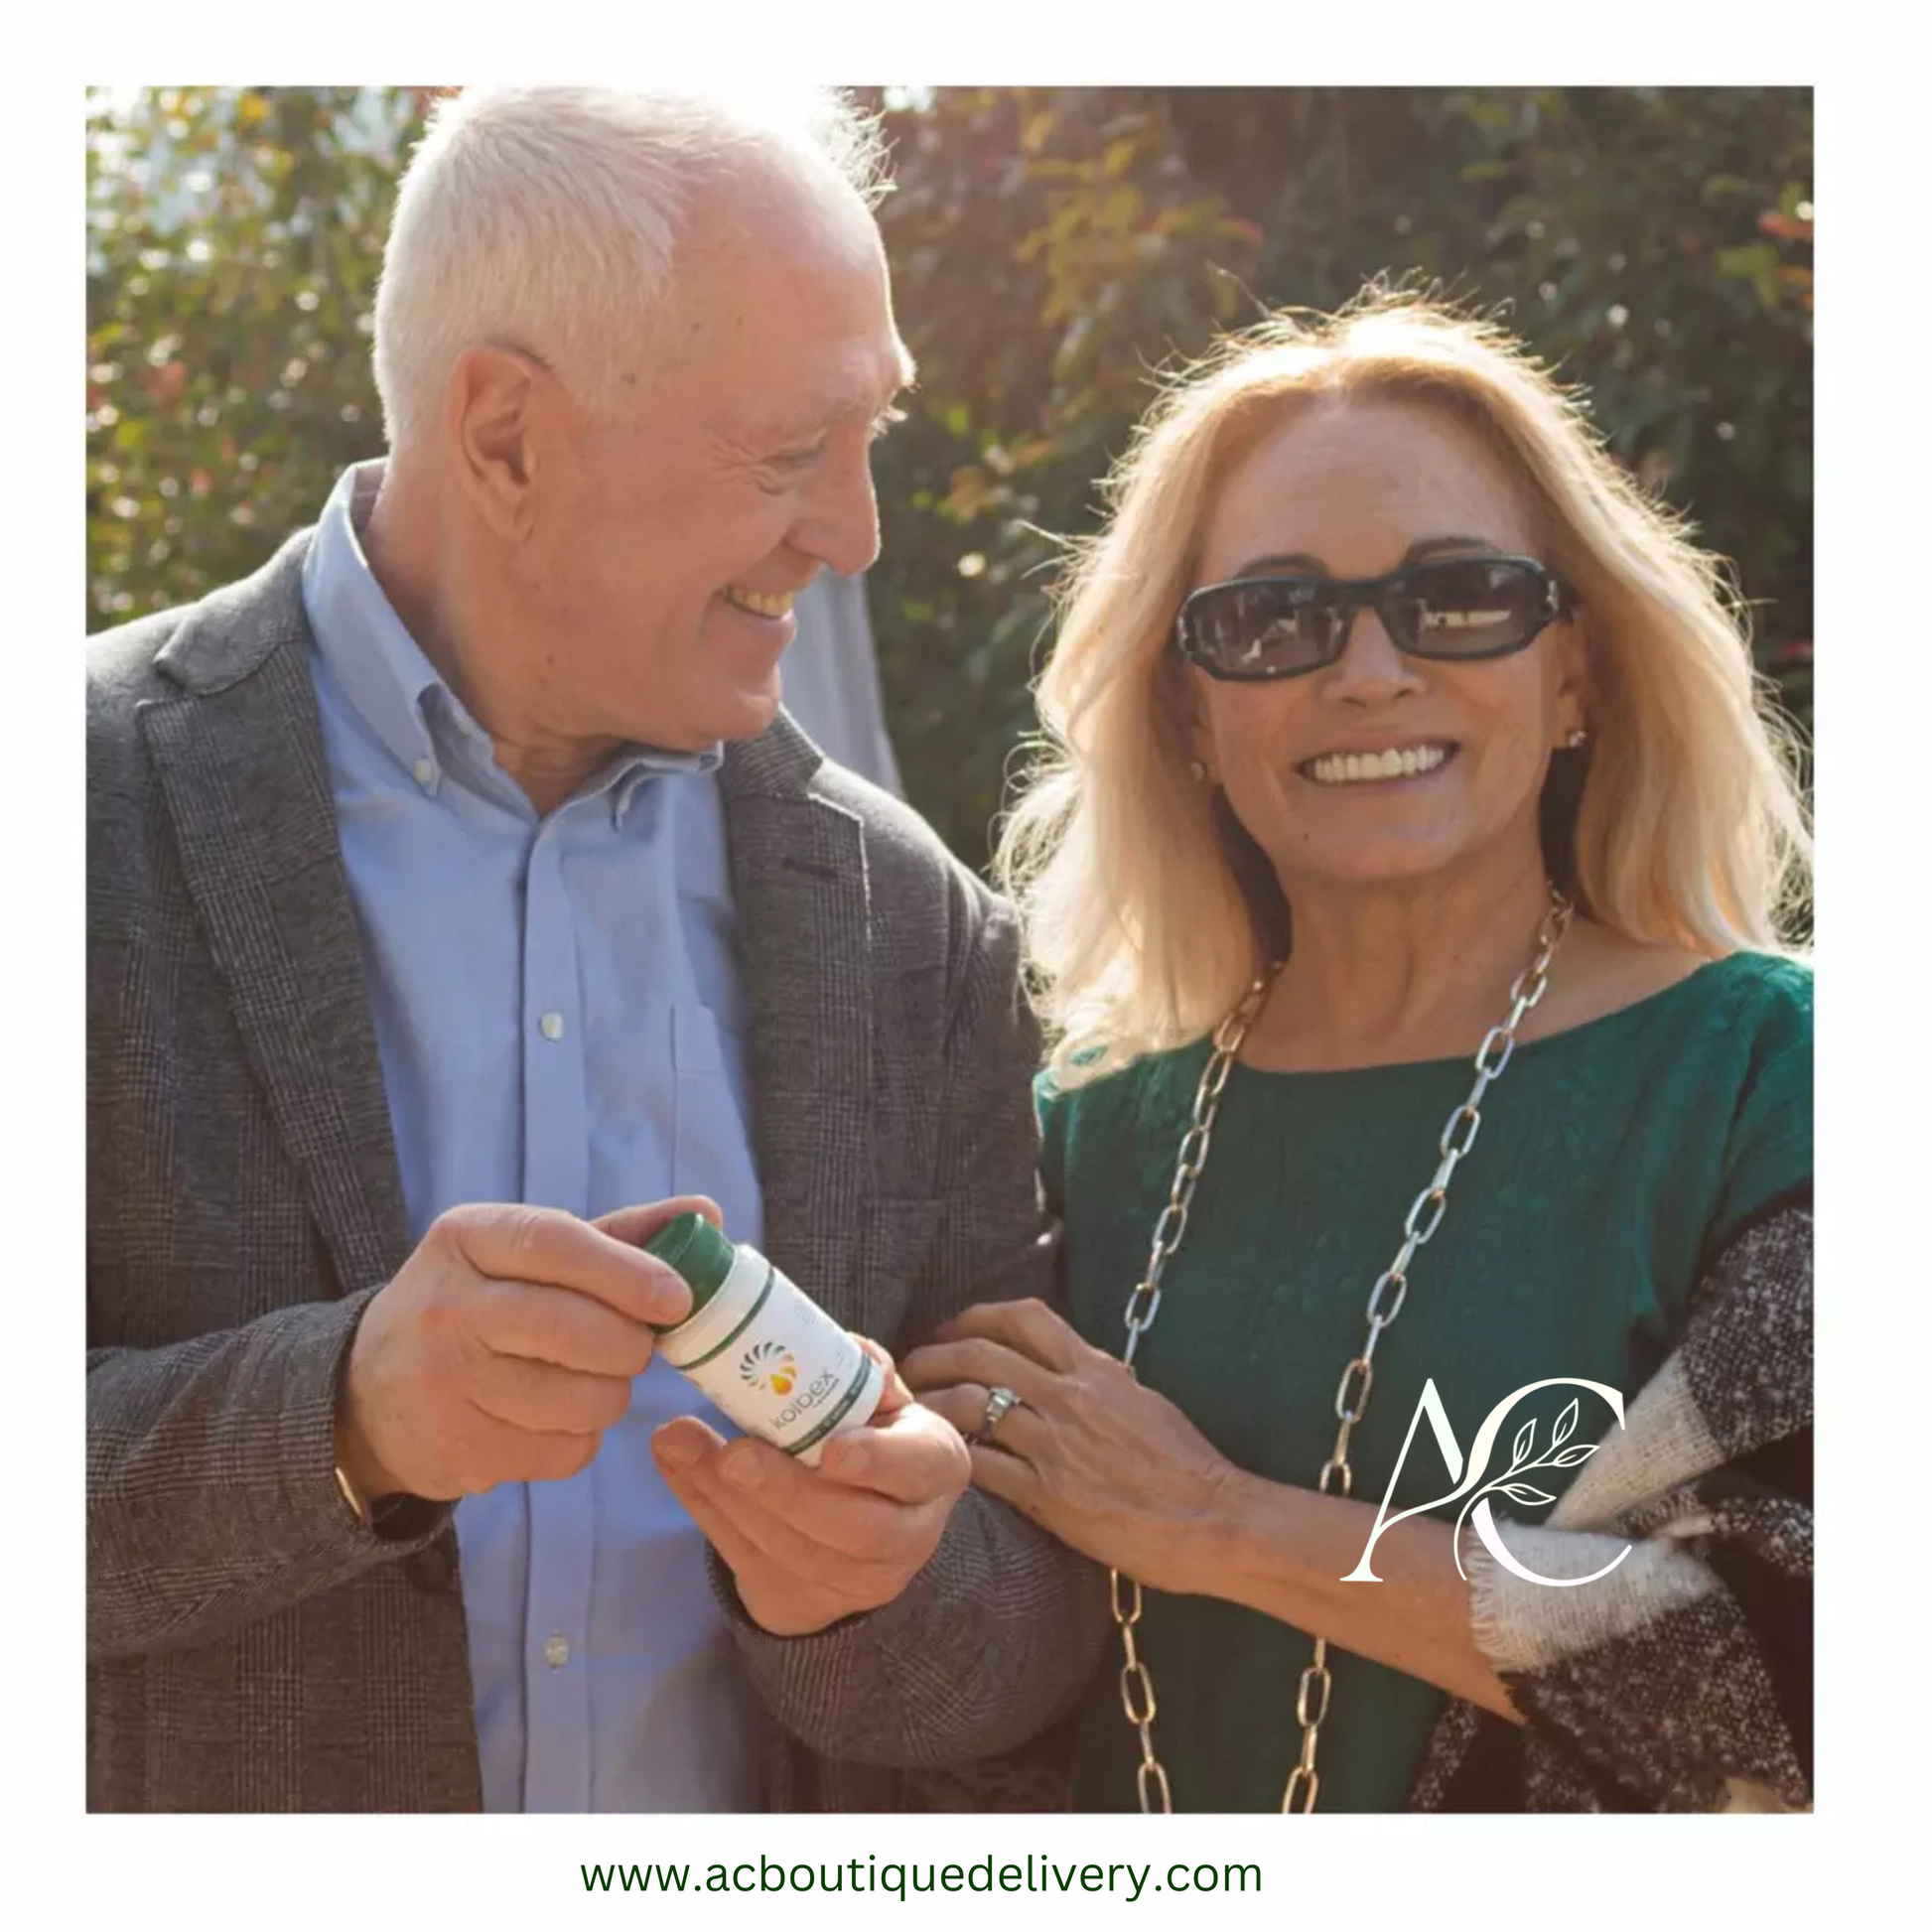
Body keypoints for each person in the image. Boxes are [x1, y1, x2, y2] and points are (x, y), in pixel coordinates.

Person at [86, 85, 1103, 1814]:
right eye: (788, 452)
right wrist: (335, 1420)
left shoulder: (911, 923)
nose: (854, 532)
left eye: (867, 436)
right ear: (503, 438)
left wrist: (885, 1583)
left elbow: (1032, 1616)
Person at [903, 296, 1812, 1813]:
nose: (1372, 671)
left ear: (1574, 670)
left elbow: (1807, 1673)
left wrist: (1219, 1520)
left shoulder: (1769, 1079)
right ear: (1189, 711)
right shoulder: (1083, 1129)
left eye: (1459, 596)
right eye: (1273, 618)